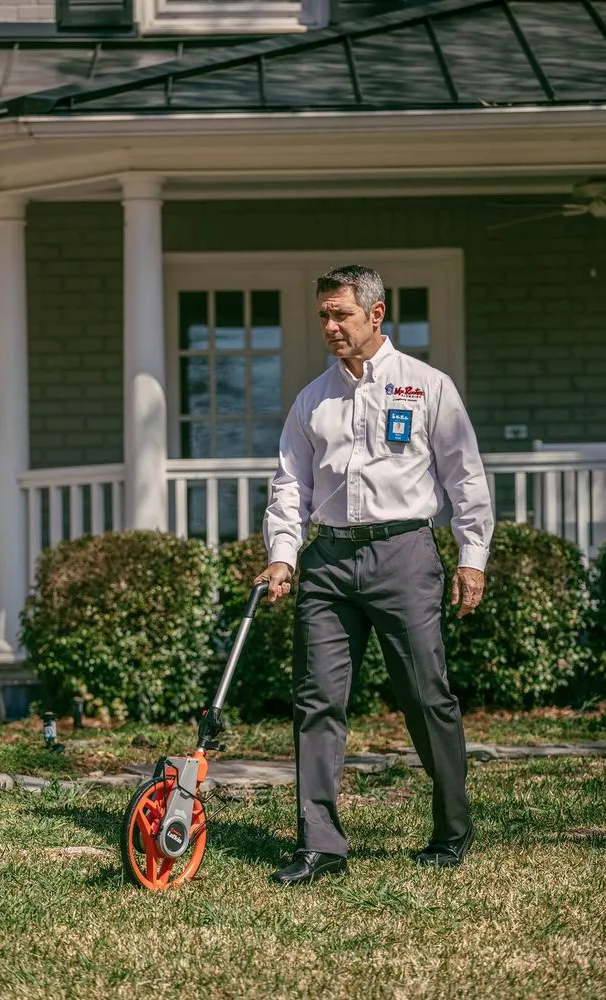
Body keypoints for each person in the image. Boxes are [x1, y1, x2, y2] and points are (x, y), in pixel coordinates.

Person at [253, 264, 494, 885]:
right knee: (317, 703)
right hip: (328, 563)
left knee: (426, 696)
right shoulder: (313, 400)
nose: (331, 326)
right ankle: (320, 844)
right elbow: (289, 487)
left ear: (376, 313)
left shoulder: (426, 386)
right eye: (324, 316)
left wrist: (472, 558)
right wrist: (283, 555)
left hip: (405, 556)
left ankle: (451, 831)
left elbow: (465, 476)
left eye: (341, 314)